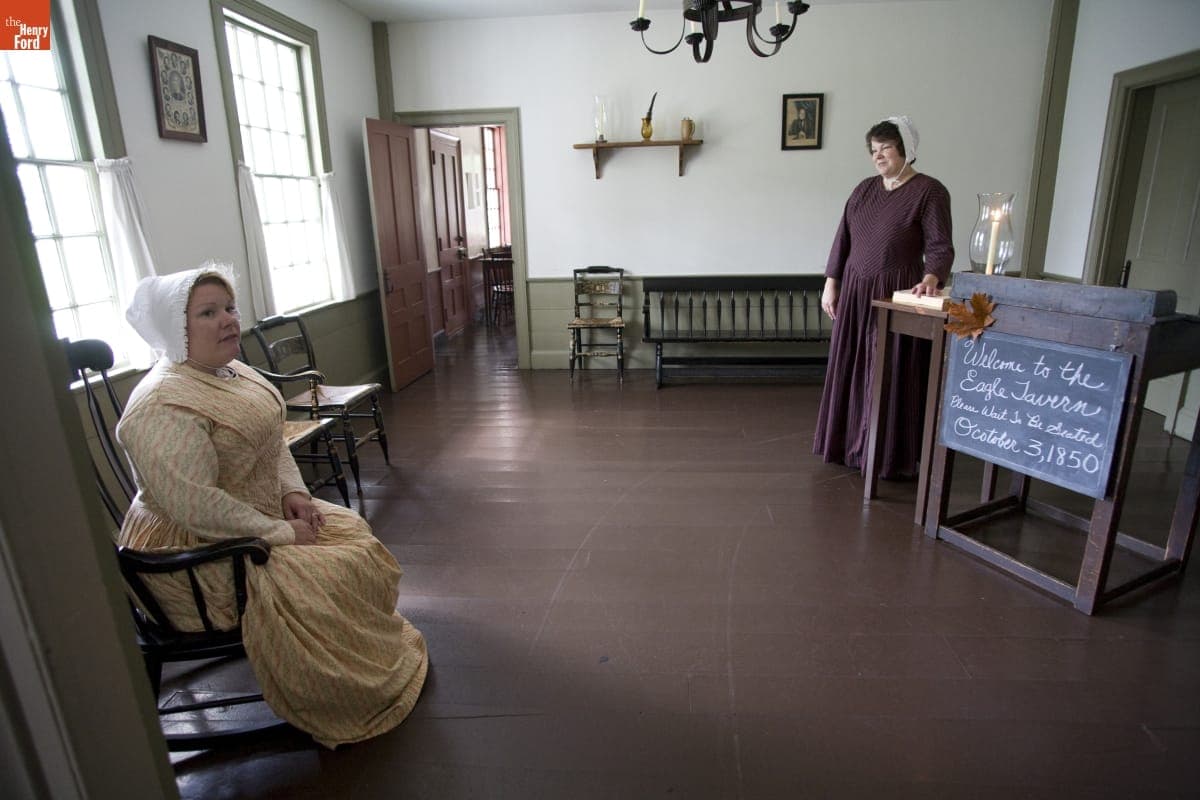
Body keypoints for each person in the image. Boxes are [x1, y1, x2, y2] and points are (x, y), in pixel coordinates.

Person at [117, 264, 428, 749]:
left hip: (254, 516)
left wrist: (294, 495)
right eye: (207, 313)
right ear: (176, 328)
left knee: (353, 537)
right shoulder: (162, 405)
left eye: (229, 307)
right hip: (198, 553)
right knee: (331, 569)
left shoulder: (228, 370)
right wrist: (279, 533)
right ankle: (342, 685)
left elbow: (271, 439)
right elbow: (196, 505)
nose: (227, 320)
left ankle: (364, 650)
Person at [812, 116, 954, 479]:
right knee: (852, 366)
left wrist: (931, 278)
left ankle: (888, 453)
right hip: (856, 292)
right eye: (873, 150)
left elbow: (939, 245)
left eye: (885, 149)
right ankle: (848, 445)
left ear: (906, 150)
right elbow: (842, 238)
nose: (878, 157)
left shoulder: (929, 191)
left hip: (896, 294)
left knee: (889, 370)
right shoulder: (863, 190)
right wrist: (832, 282)